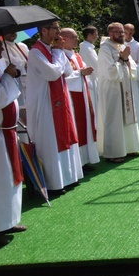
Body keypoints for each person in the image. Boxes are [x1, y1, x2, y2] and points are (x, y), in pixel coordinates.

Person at [26, 21, 83, 193]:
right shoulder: (36, 52)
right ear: (44, 30)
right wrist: (58, 52)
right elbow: (51, 74)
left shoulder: (52, 50)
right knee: (50, 140)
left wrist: (58, 52)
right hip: (45, 102)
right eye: (56, 28)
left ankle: (68, 177)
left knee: (65, 135)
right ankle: (53, 183)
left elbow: (66, 71)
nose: (59, 31)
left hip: (60, 98)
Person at [96, 23, 139, 163]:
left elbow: (132, 66)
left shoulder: (121, 46)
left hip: (125, 87)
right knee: (114, 118)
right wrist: (122, 58)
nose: (122, 35)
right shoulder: (105, 49)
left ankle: (129, 147)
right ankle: (113, 152)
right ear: (110, 33)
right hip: (112, 89)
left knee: (127, 116)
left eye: (122, 32)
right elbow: (110, 72)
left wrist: (126, 59)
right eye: (118, 32)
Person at [0, 38, 26, 246]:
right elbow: (0, 99)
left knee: (10, 179)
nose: (1, 49)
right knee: (1, 181)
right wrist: (8, 76)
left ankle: (9, 219)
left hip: (6, 131)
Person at [59, 28, 100, 171]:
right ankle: (79, 162)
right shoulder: (59, 55)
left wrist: (85, 71)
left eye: (76, 37)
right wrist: (80, 73)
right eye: (73, 37)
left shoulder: (76, 55)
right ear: (63, 38)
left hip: (83, 93)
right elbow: (62, 76)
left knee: (86, 125)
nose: (76, 39)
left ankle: (86, 159)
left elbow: (81, 70)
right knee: (77, 126)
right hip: (71, 96)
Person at [0, 32, 29, 108]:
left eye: (14, 30)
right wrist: (27, 63)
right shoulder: (2, 47)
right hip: (17, 81)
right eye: (9, 31)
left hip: (29, 79)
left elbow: (30, 59)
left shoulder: (22, 45)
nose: (12, 33)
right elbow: (13, 62)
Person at [78, 26, 99, 111]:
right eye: (96, 34)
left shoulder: (89, 48)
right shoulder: (86, 48)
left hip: (94, 78)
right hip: (91, 78)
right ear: (89, 35)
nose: (97, 36)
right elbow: (96, 65)